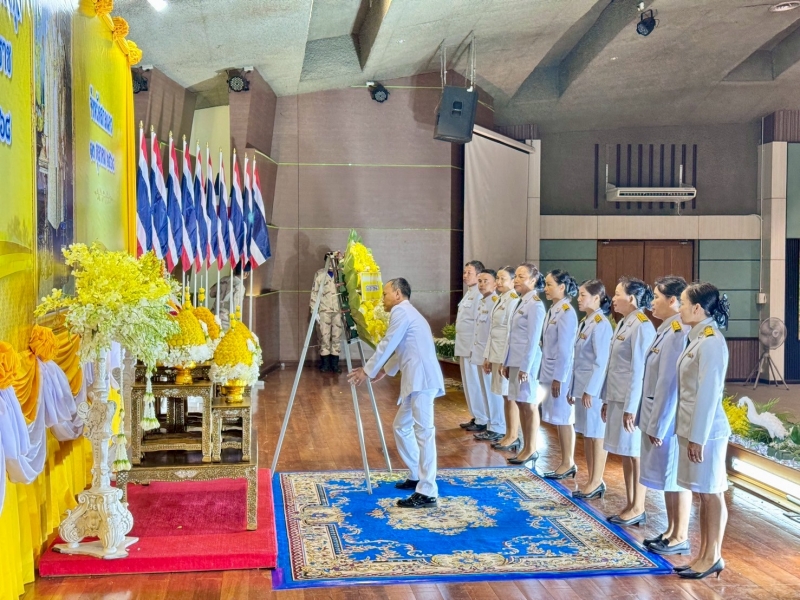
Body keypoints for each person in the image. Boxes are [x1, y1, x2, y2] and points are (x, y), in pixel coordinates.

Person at [348, 278, 445, 509]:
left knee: (424, 433)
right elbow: (402, 347)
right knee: (401, 426)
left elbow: (389, 343)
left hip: (422, 380)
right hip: (417, 380)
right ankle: (416, 474)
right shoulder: (407, 312)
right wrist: (383, 370)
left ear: (398, 294)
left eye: (385, 294)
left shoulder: (401, 311)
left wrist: (367, 370)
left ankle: (428, 491)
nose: (383, 298)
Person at [674, 282, 730, 580]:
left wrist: (697, 437)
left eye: (683, 303)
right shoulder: (698, 337)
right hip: (693, 427)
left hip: (707, 432)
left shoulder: (710, 342)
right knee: (705, 494)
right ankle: (704, 554)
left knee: (711, 494)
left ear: (697, 308)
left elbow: (707, 395)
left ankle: (712, 556)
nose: (679, 308)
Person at [636, 276, 692, 557]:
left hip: (667, 421)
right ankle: (671, 530)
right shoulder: (666, 329)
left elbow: (669, 384)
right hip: (655, 414)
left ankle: (680, 535)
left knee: (674, 476)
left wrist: (658, 426)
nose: (652, 302)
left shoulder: (678, 332)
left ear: (673, 301)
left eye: (657, 297)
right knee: (666, 478)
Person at [602, 277, 656, 527]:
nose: (613, 299)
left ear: (632, 298)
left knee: (635, 454)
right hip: (618, 396)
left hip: (630, 400)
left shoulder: (642, 326)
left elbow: (639, 371)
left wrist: (632, 407)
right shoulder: (625, 322)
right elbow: (613, 366)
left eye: (617, 293)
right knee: (626, 452)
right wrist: (606, 398)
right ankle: (631, 502)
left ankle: (638, 506)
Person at [570, 279, 613, 499]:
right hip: (582, 386)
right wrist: (573, 389)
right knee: (587, 434)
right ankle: (591, 479)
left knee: (596, 434)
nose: (579, 299)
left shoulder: (601, 324)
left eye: (583, 295)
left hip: (593, 390)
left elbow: (601, 361)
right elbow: (577, 359)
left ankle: (597, 480)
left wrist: (591, 390)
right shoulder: (586, 322)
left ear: (597, 298)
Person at [502, 263, 546, 466]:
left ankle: (531, 448)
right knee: (520, 403)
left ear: (533, 280)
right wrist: (507, 362)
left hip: (526, 364)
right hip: (515, 361)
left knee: (529, 404)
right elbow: (512, 336)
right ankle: (525, 446)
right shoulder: (521, 301)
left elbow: (533, 339)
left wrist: (525, 368)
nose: (517, 280)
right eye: (516, 276)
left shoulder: (535, 304)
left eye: (522, 276)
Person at [540, 270, 580, 479]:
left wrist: (559, 377)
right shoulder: (554, 309)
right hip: (550, 370)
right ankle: (565, 461)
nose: (545, 288)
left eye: (549, 284)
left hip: (560, 374)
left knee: (564, 417)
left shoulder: (566, 312)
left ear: (562, 287)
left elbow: (565, 349)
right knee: (558, 418)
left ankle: (568, 462)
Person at [483, 267, 522, 452]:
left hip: (505, 354)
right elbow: (492, 330)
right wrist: (487, 356)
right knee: (505, 396)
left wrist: (505, 360)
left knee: (510, 396)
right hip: (496, 353)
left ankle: (513, 435)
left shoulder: (513, 300)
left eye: (502, 279)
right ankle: (508, 433)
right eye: (497, 278)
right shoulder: (501, 299)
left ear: (513, 281)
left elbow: (509, 332)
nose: (498, 282)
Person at [469, 270, 504, 442]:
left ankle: (498, 426)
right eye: (480, 281)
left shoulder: (495, 302)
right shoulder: (483, 301)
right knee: (485, 392)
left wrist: (488, 356)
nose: (482, 284)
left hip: (489, 356)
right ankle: (491, 424)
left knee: (493, 393)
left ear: (495, 284)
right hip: (480, 354)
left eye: (486, 281)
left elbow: (493, 333)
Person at [456, 260, 486, 432]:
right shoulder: (469, 293)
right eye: (464, 272)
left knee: (474, 383)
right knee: (468, 384)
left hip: (471, 348)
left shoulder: (479, 295)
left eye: (469, 273)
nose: (465, 276)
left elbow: (477, 324)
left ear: (479, 275)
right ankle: (476, 415)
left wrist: (475, 348)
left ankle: (482, 418)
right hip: (464, 346)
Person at [310, 251, 343, 373]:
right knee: (324, 337)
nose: (331, 263)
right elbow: (314, 292)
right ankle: (325, 364)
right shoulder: (320, 274)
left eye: (334, 260)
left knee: (336, 337)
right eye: (329, 260)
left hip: (338, 310)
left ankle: (334, 364)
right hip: (324, 310)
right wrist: (314, 311)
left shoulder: (341, 274)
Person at [209, 265, 247, 331]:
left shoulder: (223, 279)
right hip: (226, 319)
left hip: (214, 314)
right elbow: (235, 305)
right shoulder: (240, 286)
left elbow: (211, 294)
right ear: (245, 273)